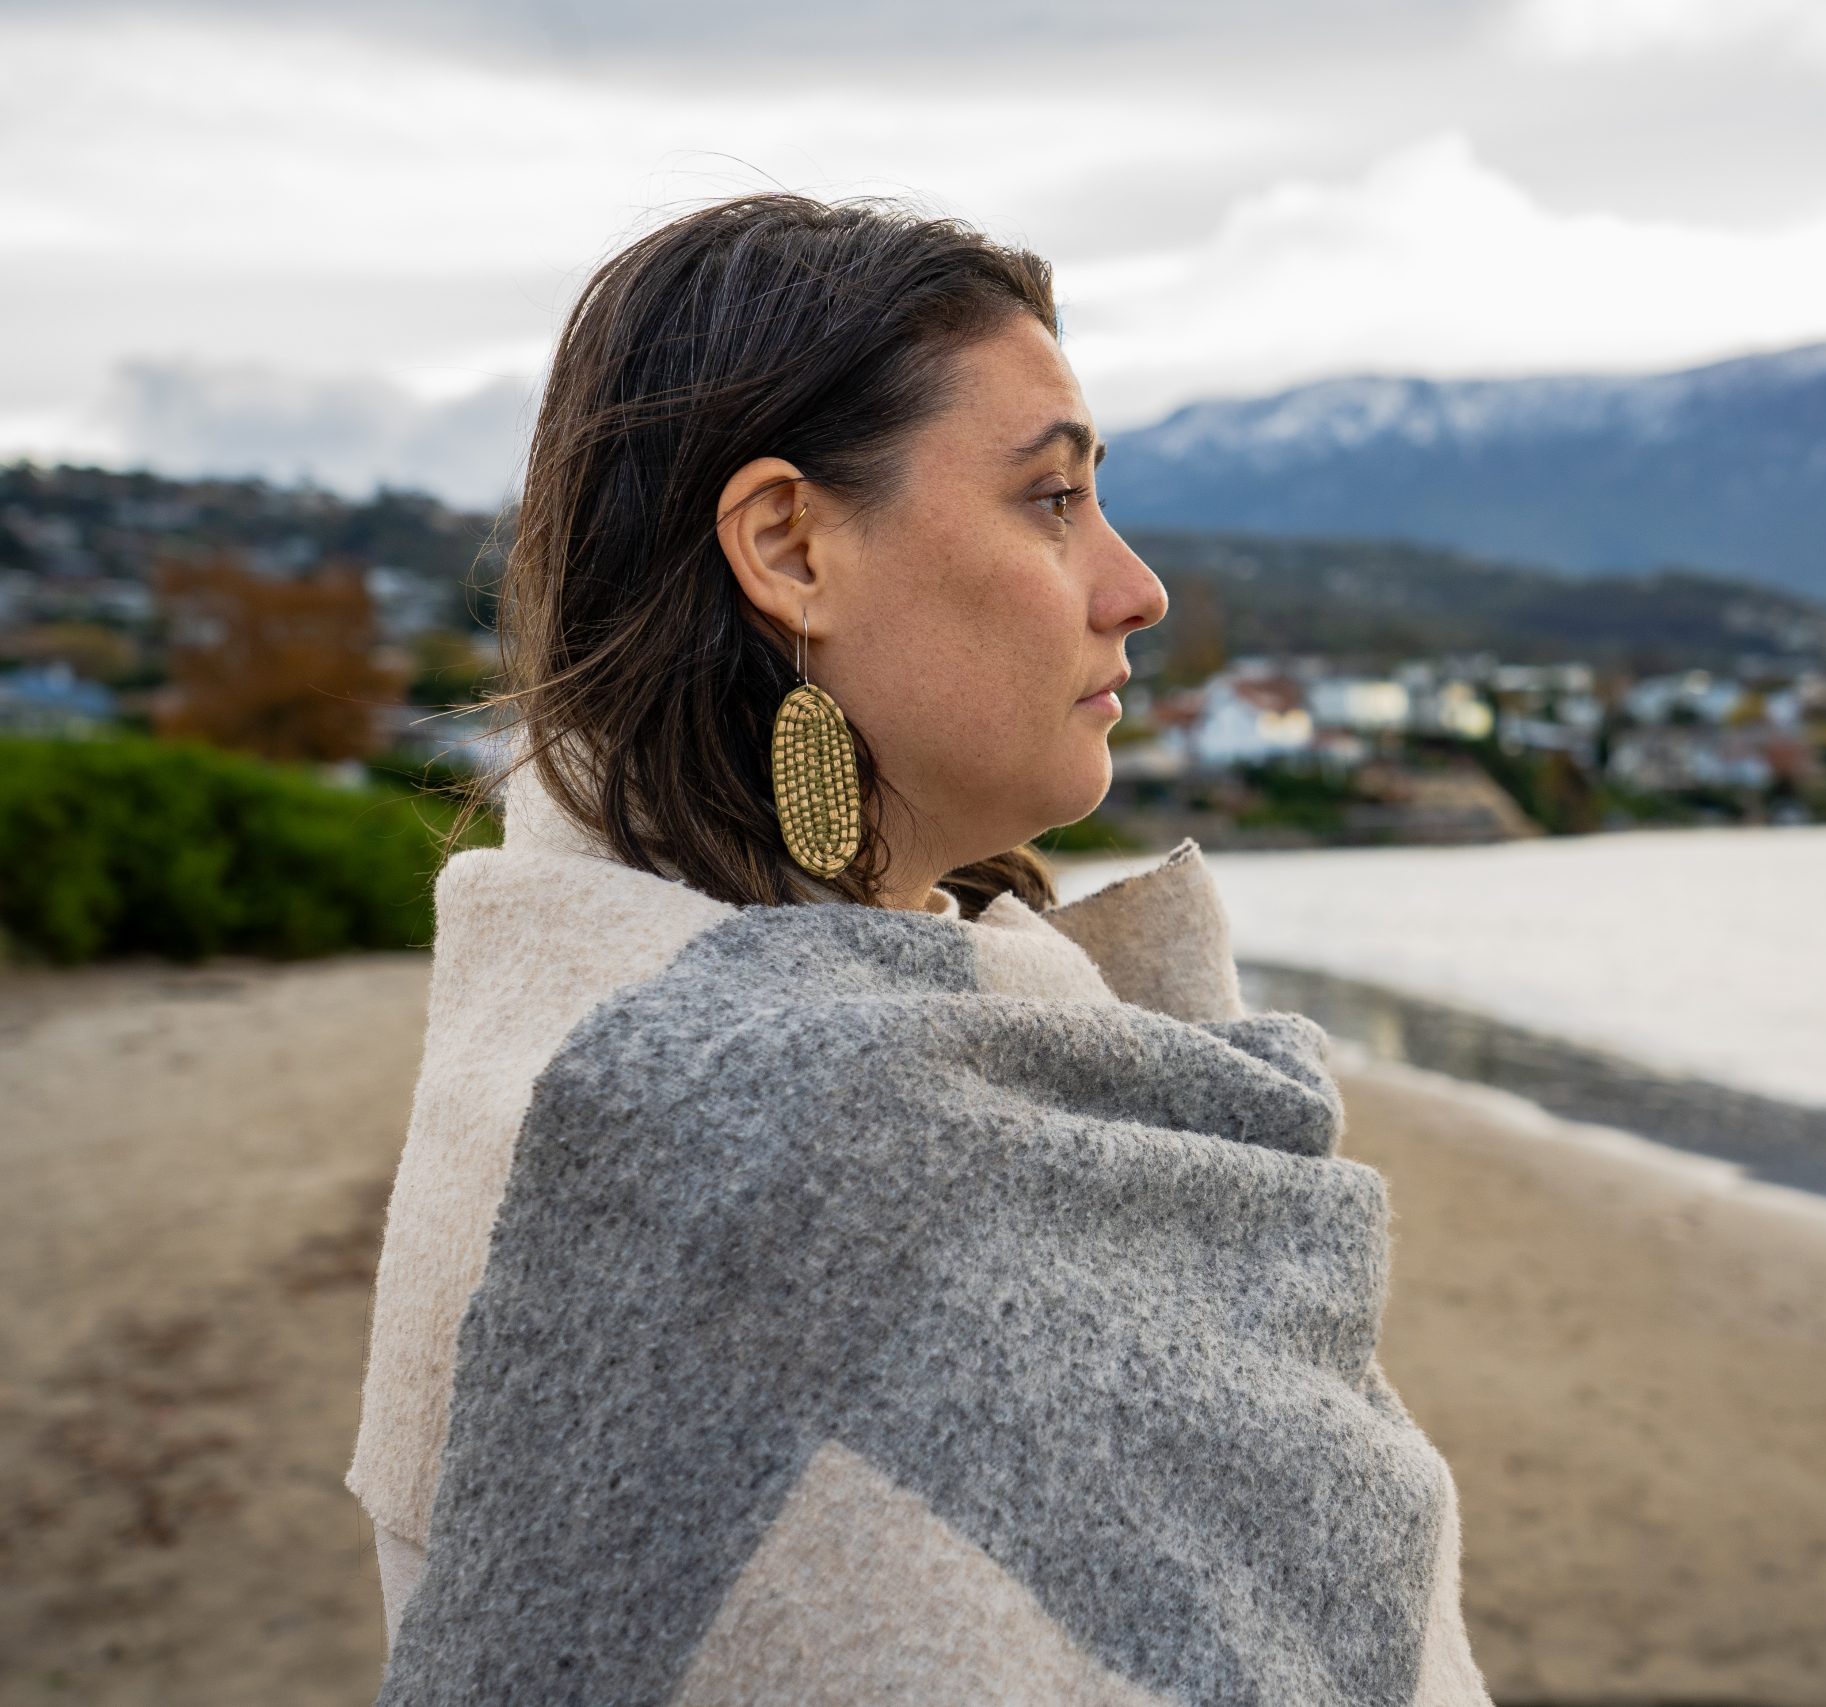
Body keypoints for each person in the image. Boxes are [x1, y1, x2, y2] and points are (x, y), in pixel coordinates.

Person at [346, 193, 1493, 1705]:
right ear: (791, 547)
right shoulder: (751, 1123)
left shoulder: (634, 1034)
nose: (1137, 590)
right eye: (1053, 499)